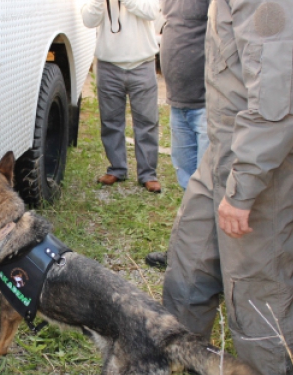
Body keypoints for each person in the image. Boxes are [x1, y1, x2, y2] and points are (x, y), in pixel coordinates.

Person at [159, 0, 293, 375]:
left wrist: (245, 185)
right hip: (227, 145)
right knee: (191, 257)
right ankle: (174, 361)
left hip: (266, 157)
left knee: (259, 283)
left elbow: (279, 96)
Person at [144, 0, 209, 269]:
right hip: (179, 103)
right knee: (188, 183)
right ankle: (185, 253)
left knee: (209, 185)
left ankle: (210, 261)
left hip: (208, 105)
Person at [82, 0, 162, 193]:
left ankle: (148, 174)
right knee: (110, 121)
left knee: (147, 121)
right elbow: (88, 20)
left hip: (142, 62)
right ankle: (117, 168)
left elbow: (152, 11)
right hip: (108, 64)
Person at [160, 0, 209, 191]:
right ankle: (191, 209)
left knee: (207, 180)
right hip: (178, 101)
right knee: (186, 178)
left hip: (206, 103)